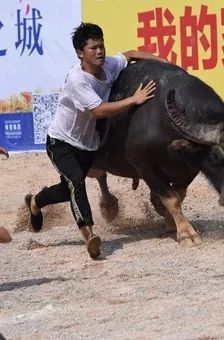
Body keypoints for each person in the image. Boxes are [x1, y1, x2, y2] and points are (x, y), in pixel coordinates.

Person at [24, 23, 166, 259]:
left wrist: (164, 63)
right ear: (81, 53)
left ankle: (36, 201)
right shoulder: (77, 80)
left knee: (67, 187)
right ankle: (89, 235)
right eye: (93, 48)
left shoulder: (108, 64)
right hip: (62, 143)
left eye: (101, 46)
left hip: (88, 145)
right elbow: (99, 111)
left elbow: (130, 54)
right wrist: (135, 99)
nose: (100, 51)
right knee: (76, 182)